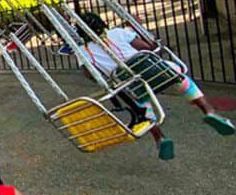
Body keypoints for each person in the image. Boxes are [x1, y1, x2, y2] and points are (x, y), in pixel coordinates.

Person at [78, 13, 234, 160]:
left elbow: (91, 75)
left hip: (132, 84)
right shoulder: (118, 33)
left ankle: (160, 138)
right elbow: (148, 48)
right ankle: (209, 111)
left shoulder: (83, 52)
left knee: (143, 107)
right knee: (182, 80)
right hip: (155, 71)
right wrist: (143, 34)